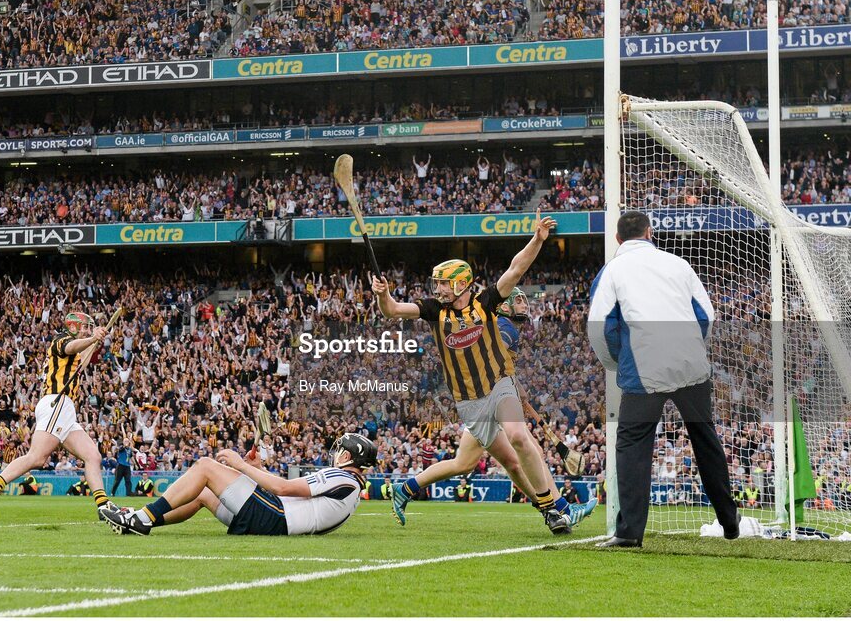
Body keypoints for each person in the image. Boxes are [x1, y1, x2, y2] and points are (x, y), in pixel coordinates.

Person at [373, 212, 595, 535]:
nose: (438, 288)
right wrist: (382, 294)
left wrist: (537, 239)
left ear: (462, 283)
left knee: (519, 436)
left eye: (444, 283)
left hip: (498, 386)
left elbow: (516, 269)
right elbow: (392, 310)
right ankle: (554, 512)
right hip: (470, 403)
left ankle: (558, 509)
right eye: (437, 283)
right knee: (510, 463)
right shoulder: (435, 311)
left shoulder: (486, 302)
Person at [588, 211, 740, 547]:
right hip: (690, 365)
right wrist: (690, 348)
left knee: (632, 445)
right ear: (649, 232)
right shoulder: (679, 264)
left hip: (644, 367)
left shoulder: (612, 270)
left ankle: (629, 533)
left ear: (617, 239)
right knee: (704, 438)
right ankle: (729, 521)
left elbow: (599, 326)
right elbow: (706, 314)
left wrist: (616, 361)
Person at [0, 312, 117, 520]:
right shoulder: (61, 340)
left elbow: (82, 361)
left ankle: (103, 505)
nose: (87, 329)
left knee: (93, 456)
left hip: (64, 409)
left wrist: (94, 342)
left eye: (89, 327)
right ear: (73, 326)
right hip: (57, 403)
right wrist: (92, 338)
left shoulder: (75, 350)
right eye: (85, 327)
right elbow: (71, 347)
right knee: (37, 457)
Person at [100, 433, 376, 537]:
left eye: (340, 450)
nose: (335, 453)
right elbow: (296, 495)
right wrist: (258, 470)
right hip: (278, 519)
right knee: (204, 493)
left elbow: (282, 490)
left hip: (276, 517)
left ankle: (140, 517)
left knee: (206, 466)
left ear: (348, 457)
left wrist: (241, 465)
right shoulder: (351, 484)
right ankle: (143, 523)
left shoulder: (342, 477)